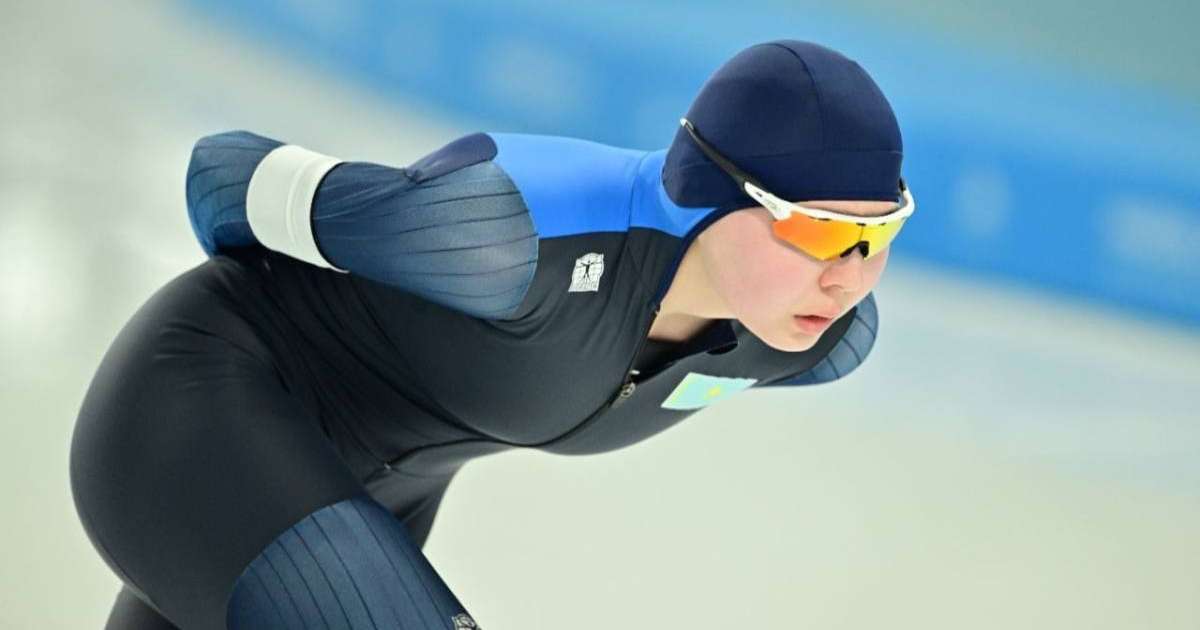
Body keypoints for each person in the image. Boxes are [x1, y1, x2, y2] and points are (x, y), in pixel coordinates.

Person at [69, 39, 913, 629]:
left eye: (881, 236)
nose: (850, 276)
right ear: (715, 193)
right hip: (208, 412)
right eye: (821, 231)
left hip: (370, 501)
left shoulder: (810, 339)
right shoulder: (508, 236)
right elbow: (224, 170)